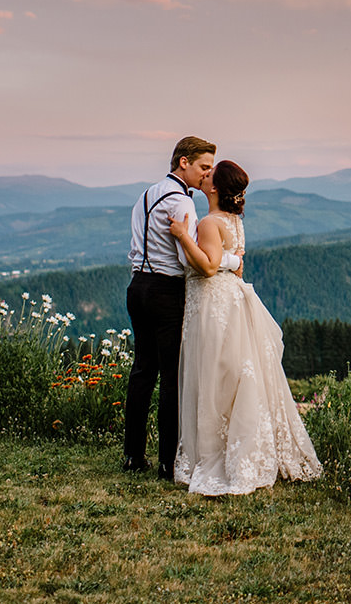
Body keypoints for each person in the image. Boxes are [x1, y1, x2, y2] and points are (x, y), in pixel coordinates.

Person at [167, 159, 322, 495]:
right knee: (230, 374)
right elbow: (231, 260)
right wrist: (232, 261)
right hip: (232, 299)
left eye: (209, 176)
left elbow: (207, 267)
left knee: (211, 376)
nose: (204, 178)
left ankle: (213, 453)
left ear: (216, 189)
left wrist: (181, 236)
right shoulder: (234, 221)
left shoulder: (208, 222)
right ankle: (238, 448)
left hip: (212, 302)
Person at [122, 136, 240, 479]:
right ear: (183, 162)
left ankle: (132, 455)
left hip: (137, 286)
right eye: (204, 167)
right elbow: (189, 263)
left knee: (142, 371)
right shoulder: (183, 204)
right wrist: (231, 259)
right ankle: (167, 462)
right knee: (173, 377)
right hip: (165, 290)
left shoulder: (147, 194)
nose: (207, 175)